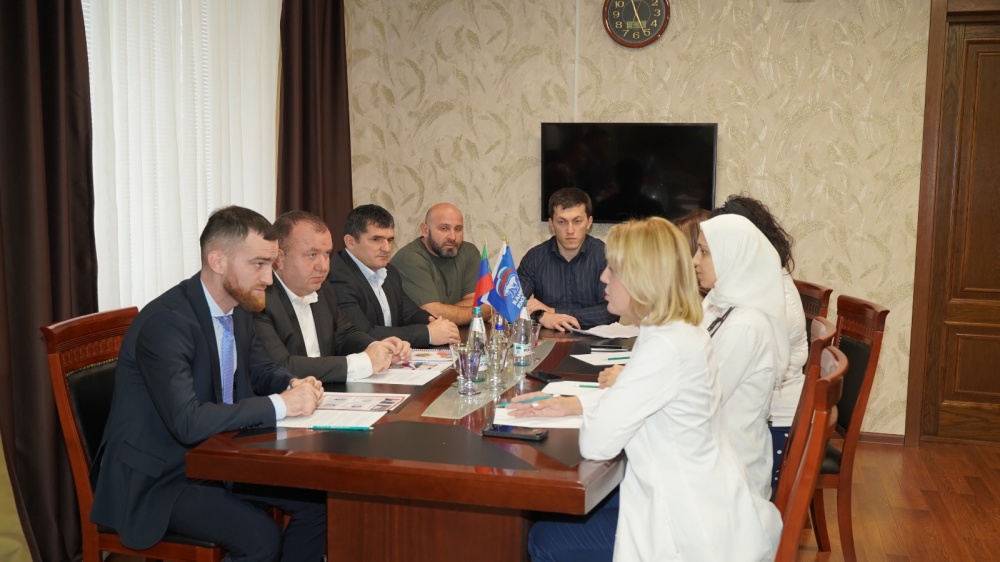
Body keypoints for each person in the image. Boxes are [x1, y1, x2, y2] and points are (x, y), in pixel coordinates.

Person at [509, 217, 781, 561]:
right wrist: (575, 403)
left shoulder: (664, 346)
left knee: (545, 538)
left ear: (640, 279)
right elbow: (640, 401)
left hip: (684, 528)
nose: (603, 277)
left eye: (613, 269)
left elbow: (597, 442)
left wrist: (587, 406)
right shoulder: (676, 329)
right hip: (702, 496)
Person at [90, 206, 327, 560]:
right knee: (261, 537)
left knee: (318, 503)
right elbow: (188, 422)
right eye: (258, 264)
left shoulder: (239, 309)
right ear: (218, 261)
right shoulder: (166, 323)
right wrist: (280, 404)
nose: (268, 278)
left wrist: (294, 384)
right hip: (163, 476)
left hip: (218, 458)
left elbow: (261, 370)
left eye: (270, 264)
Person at [712, 194, 808, 488]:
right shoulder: (749, 288)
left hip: (775, 427)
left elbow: (713, 389)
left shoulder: (770, 304)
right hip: (752, 417)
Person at [693, 214, 789, 500]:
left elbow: (700, 398)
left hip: (729, 480)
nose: (695, 260)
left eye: (704, 252)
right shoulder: (720, 305)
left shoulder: (746, 325)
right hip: (710, 458)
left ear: (731, 257)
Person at [254, 211, 410, 383]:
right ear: (279, 258)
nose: (323, 266)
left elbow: (345, 334)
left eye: (327, 254)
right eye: (312, 255)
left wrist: (378, 348)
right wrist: (364, 362)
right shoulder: (260, 300)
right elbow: (281, 366)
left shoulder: (323, 289)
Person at [329, 204, 460, 347]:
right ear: (351, 242)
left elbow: (409, 313)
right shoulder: (337, 277)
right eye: (377, 239)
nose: (386, 248)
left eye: (390, 240)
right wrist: (427, 333)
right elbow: (362, 334)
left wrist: (437, 324)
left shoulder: (389, 272)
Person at [518, 187, 617, 331]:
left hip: (595, 340)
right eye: (562, 222)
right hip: (548, 339)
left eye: (577, 221)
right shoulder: (534, 258)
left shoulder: (604, 256)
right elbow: (511, 306)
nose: (570, 230)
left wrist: (554, 312)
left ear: (589, 222)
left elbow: (611, 311)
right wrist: (540, 316)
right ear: (551, 224)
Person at [390, 202, 486, 325]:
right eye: (444, 228)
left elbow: (482, 301)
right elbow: (432, 314)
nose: (453, 237)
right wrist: (480, 312)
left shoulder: (469, 252)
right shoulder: (410, 258)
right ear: (425, 230)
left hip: (461, 332)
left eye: (458, 229)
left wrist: (445, 311)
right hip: (414, 335)